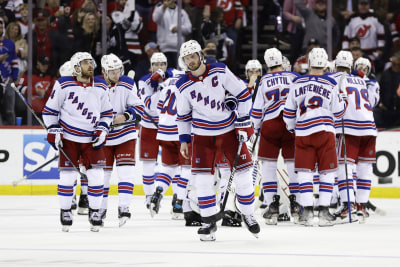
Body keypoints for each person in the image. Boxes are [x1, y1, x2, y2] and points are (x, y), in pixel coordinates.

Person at [176, 40, 260, 241]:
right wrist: (184, 140)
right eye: (187, 58)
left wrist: (242, 122)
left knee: (244, 175)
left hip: (229, 131)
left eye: (193, 56)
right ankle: (208, 221)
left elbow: (244, 95)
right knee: (203, 180)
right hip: (203, 136)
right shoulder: (182, 84)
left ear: (200, 55)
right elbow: (183, 115)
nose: (191, 61)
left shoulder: (220, 70)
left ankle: (247, 212)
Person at [42, 52, 113, 232]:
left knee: (97, 176)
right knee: (67, 177)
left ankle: (95, 211)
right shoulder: (63, 84)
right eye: (85, 63)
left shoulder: (101, 87)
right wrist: (54, 130)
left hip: (92, 139)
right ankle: (65, 210)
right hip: (69, 138)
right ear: (76, 67)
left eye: (91, 62)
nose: (90, 65)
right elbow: (50, 111)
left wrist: (103, 129)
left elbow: (107, 113)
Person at [283, 47, 347, 227]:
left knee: (305, 172)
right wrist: (344, 99)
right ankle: (325, 212)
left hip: (303, 131)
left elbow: (288, 113)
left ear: (309, 63)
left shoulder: (297, 82)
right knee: (327, 171)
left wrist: (292, 128)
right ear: (326, 64)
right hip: (325, 130)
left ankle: (307, 213)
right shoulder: (331, 83)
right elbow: (338, 112)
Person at [250, 48, 300, 225]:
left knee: (269, 166)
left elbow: (257, 110)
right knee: (293, 164)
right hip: (290, 123)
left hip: (270, 125)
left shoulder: (263, 80)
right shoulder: (294, 77)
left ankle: (272, 204)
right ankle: (296, 203)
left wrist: (255, 127)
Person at [98, 54, 144, 227]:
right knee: (102, 176)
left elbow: (140, 109)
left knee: (126, 173)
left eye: (118, 71)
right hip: (104, 137)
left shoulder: (128, 83)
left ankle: (124, 208)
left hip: (125, 135)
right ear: (104, 71)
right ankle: (99, 209)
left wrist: (124, 116)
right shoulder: (95, 85)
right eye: (112, 71)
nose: (117, 75)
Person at [138, 52, 180, 208]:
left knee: (174, 164)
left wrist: (165, 81)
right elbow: (149, 106)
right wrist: (158, 87)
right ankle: (149, 198)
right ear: (151, 66)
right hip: (150, 126)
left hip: (169, 126)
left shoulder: (173, 74)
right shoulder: (144, 81)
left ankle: (177, 199)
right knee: (148, 164)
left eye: (162, 64)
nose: (159, 67)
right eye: (156, 64)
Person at [152, 0, 192, 68]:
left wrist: (179, 28)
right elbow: (155, 19)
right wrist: (164, 7)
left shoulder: (182, 11)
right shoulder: (159, 9)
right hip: (164, 47)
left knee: (178, 72)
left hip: (178, 48)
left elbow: (189, 28)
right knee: (167, 72)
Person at [0, 17, 18, 125]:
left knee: (10, 110)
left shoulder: (10, 43)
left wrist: (14, 77)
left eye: (1, 27)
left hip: (8, 80)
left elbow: (15, 62)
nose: (0, 29)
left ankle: (13, 130)